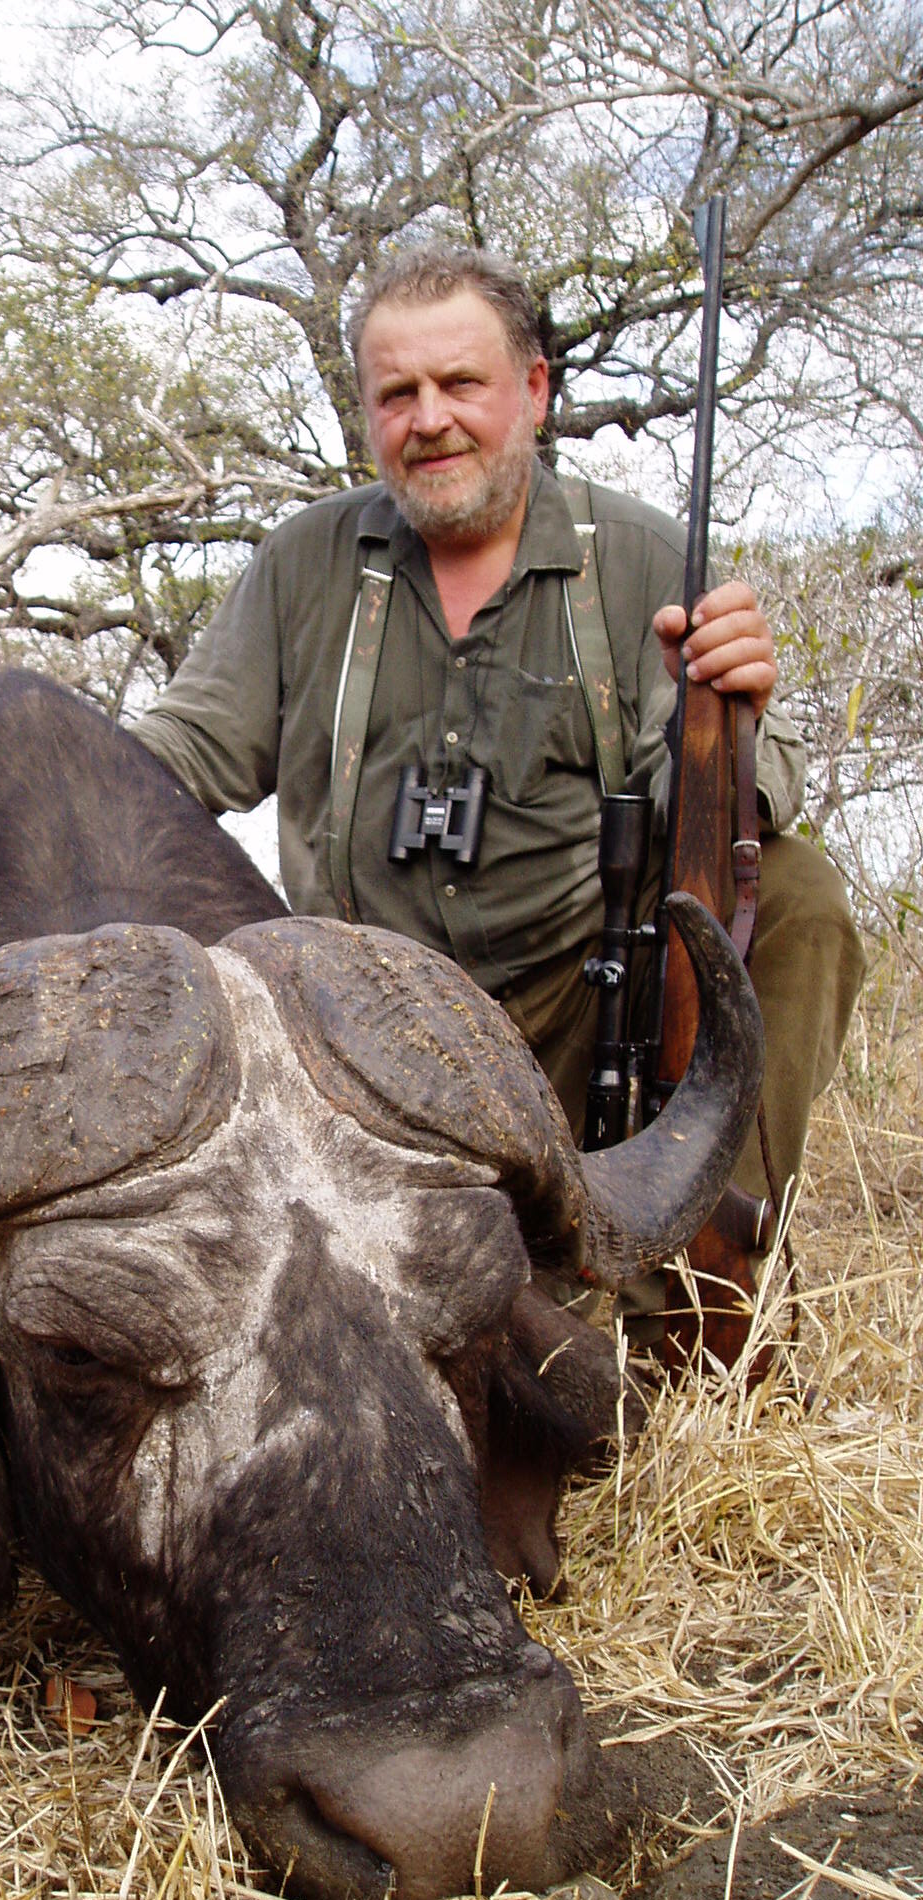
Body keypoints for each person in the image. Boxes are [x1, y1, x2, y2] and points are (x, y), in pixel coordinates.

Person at [135, 242, 864, 1347]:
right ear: (370, 413)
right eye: (397, 393)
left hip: (576, 1015)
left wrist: (730, 715)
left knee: (799, 896)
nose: (429, 418)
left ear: (532, 391)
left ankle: (702, 1302)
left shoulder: (643, 556)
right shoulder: (305, 564)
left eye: (460, 383)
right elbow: (179, 756)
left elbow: (750, 797)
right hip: (347, 1040)